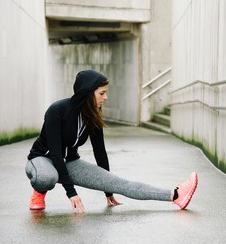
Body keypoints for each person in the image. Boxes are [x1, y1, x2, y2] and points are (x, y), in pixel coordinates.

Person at [25, 69, 198, 213]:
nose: (105, 97)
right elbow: (55, 152)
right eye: (102, 93)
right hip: (41, 160)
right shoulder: (57, 110)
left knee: (119, 183)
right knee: (48, 177)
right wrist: (71, 193)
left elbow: (100, 152)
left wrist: (108, 189)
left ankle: (175, 195)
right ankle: (39, 192)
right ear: (87, 92)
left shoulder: (92, 115)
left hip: (69, 162)